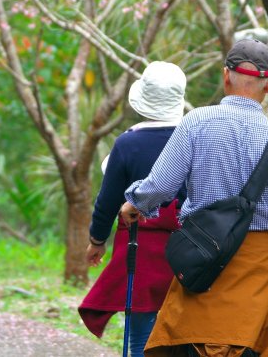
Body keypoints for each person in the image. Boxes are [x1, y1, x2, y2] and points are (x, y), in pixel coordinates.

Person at [119, 39, 268, 357]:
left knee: (190, 342)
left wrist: (134, 204)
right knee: (247, 343)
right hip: (258, 269)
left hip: (203, 260)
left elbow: (161, 185)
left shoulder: (196, 122)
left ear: (225, 76)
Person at [79, 61, 188, 357]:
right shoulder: (193, 138)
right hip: (187, 250)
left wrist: (97, 241)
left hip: (139, 250)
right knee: (184, 335)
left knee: (141, 337)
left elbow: (108, 200)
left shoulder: (127, 143)